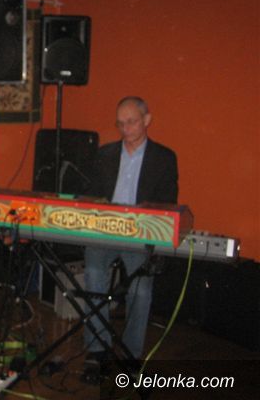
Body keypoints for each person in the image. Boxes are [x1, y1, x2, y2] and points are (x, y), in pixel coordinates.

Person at [81, 96, 178, 382]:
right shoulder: (105, 154)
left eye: (131, 122)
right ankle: (97, 350)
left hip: (140, 233)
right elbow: (92, 195)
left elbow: (167, 202)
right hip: (105, 230)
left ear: (147, 120)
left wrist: (142, 218)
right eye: (120, 123)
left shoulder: (164, 158)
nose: (125, 129)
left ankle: (131, 353)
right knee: (94, 273)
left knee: (141, 290)